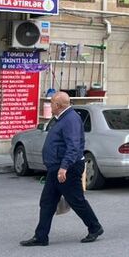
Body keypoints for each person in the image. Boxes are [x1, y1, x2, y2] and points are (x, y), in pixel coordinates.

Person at [20, 92, 103, 246]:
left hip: (67, 168)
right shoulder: (62, 118)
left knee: (76, 200)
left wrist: (64, 167)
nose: (50, 105)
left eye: (51, 103)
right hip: (56, 168)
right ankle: (41, 237)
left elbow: (73, 146)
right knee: (47, 201)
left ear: (58, 105)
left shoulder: (70, 119)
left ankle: (95, 227)